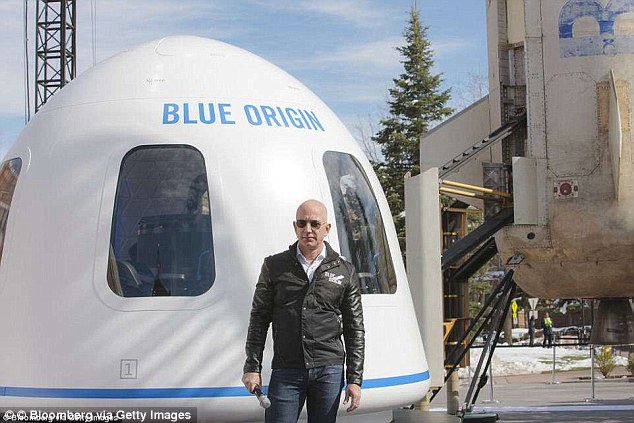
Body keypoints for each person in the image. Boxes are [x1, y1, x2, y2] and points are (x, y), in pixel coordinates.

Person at [242, 199, 365, 423]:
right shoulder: (274, 266)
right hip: (287, 369)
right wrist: (252, 367)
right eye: (302, 223)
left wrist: (355, 379)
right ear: (295, 226)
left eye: (315, 224)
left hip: (329, 369)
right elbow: (259, 319)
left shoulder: (345, 271)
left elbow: (354, 328)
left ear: (327, 228)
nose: (308, 229)